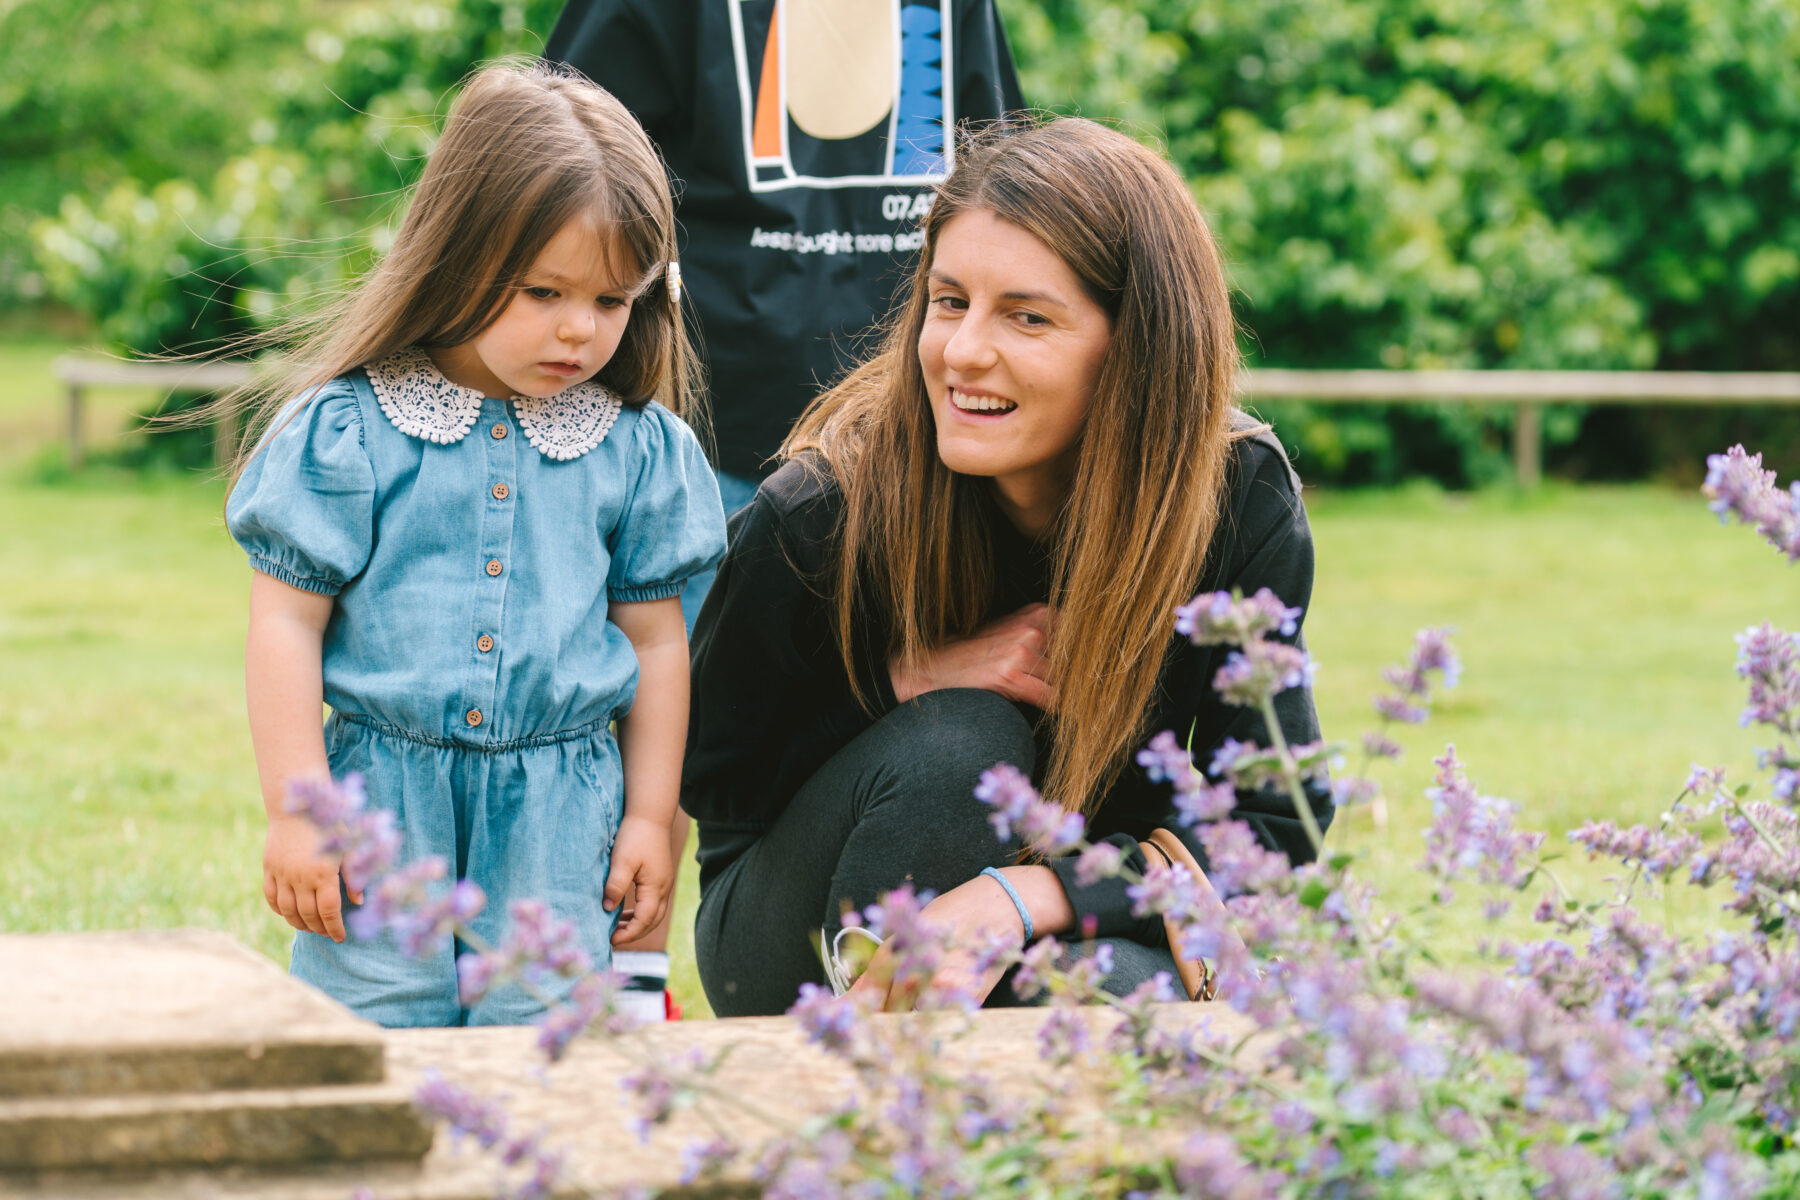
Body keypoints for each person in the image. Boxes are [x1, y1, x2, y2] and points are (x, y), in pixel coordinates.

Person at [684, 117, 1334, 1016]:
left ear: (1137, 348)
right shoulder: (825, 511)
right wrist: (899, 682)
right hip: (789, 933)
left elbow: (1276, 829)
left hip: (1067, 920)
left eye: (1026, 316)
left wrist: (1023, 897)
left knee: (1116, 1003)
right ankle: (866, 1121)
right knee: (965, 742)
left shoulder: (1234, 502)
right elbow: (710, 774)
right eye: (948, 302)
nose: (962, 351)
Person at [543, 0, 1024, 1013]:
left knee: (936, 717)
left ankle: (898, 984)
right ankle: (620, 977)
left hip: (913, 437)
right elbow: (565, 159)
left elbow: (1002, 173)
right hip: (704, 419)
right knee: (655, 699)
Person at [225, 61, 727, 1027]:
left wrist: (650, 818)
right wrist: (300, 810)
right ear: (458, 255)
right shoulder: (353, 431)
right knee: (371, 1029)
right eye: (543, 292)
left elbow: (658, 643)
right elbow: (285, 621)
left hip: (559, 810)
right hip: (380, 806)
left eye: (614, 301)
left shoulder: (632, 447)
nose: (580, 330)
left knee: (546, 1041)